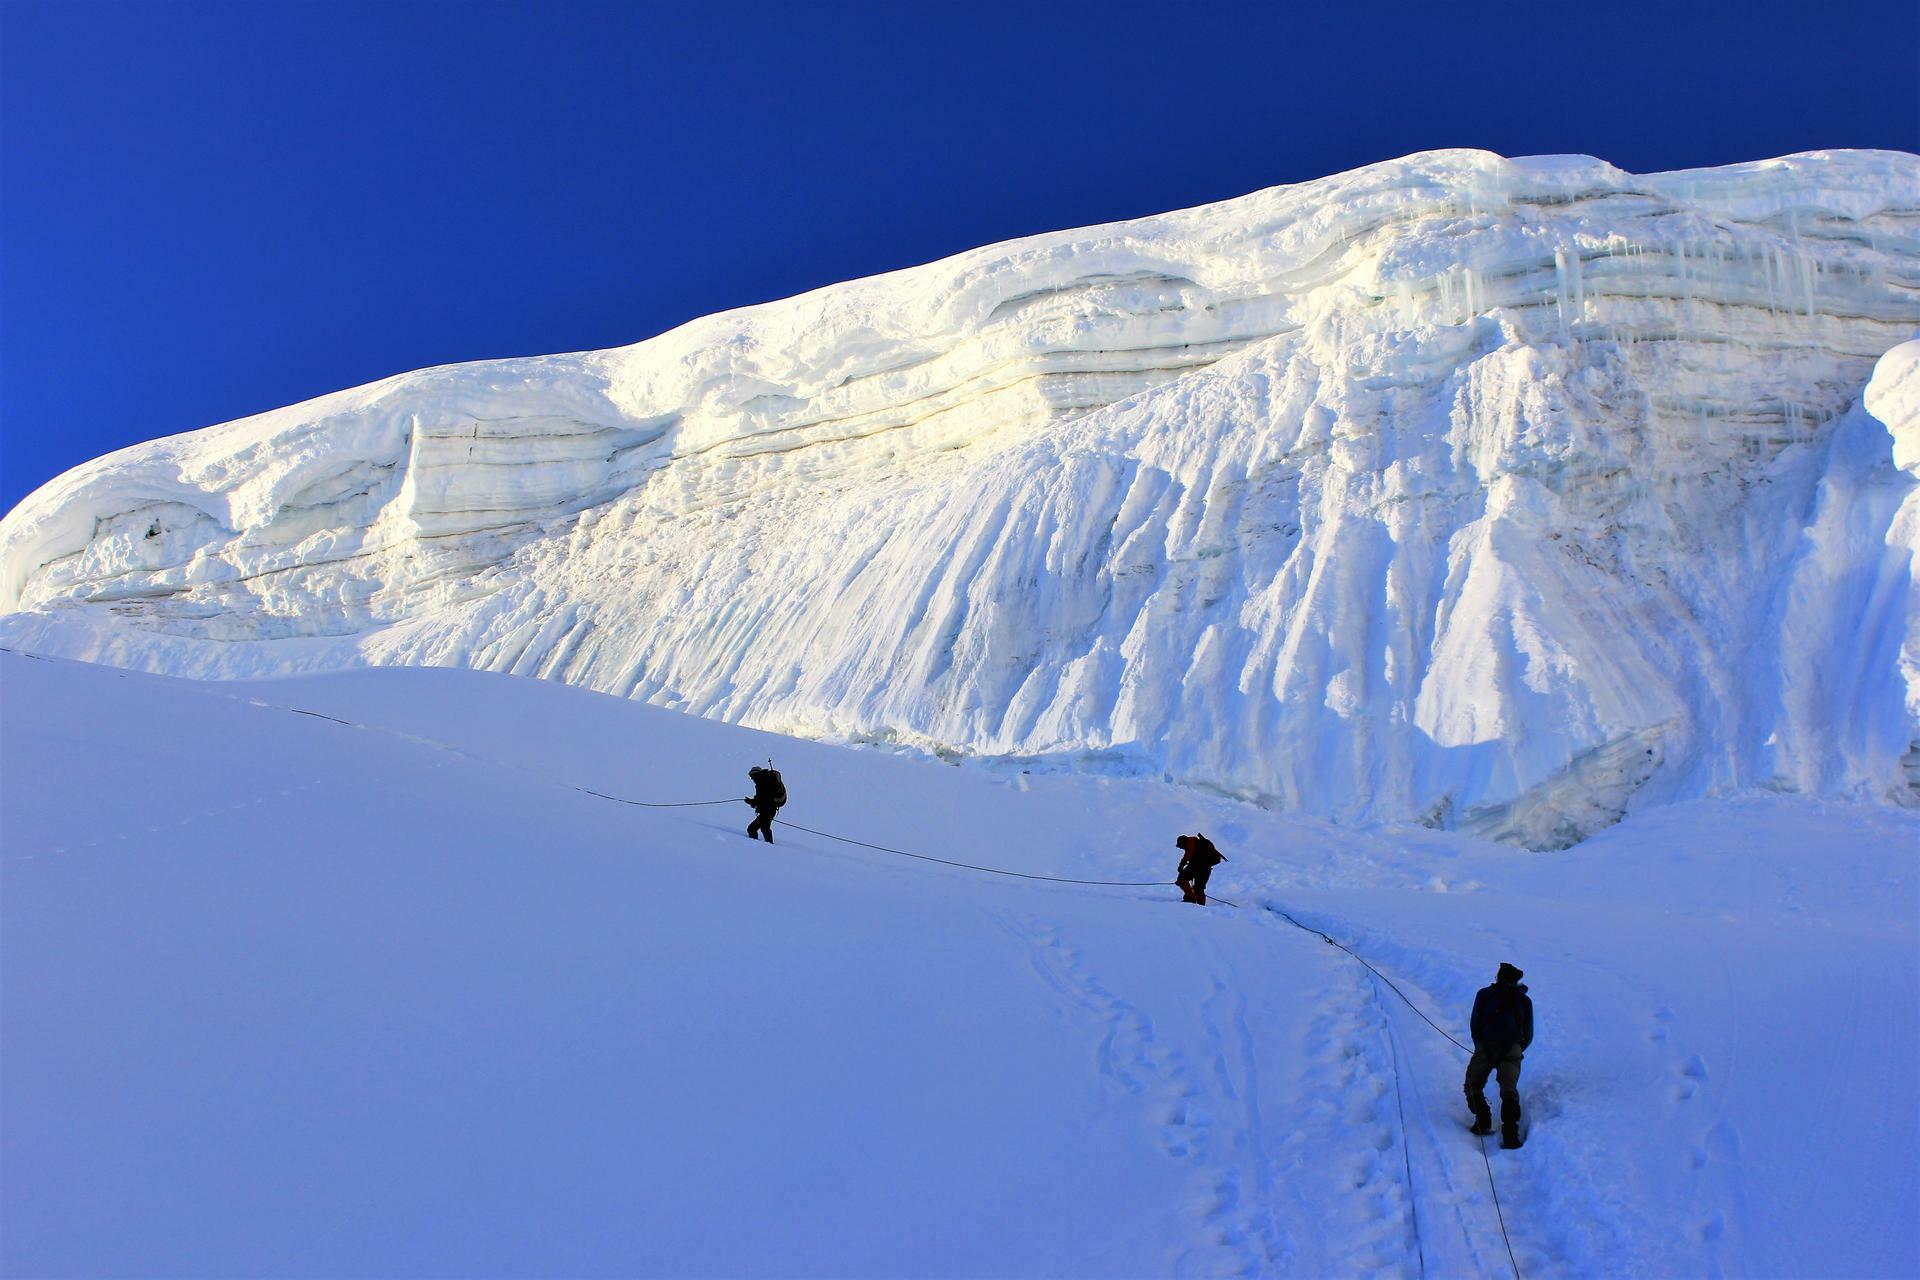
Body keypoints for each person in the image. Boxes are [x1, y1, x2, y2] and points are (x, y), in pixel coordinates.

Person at [1465, 962, 1533, 1148]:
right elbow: (1528, 1033)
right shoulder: (1524, 1001)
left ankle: (1482, 1120)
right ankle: (1510, 1133)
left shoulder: (1484, 994)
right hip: (1512, 1048)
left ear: (1498, 977)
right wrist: (1517, 1049)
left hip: (1486, 1046)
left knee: (1472, 1083)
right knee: (1509, 1090)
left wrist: (1480, 1046)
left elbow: (1475, 1024)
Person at [1174, 833, 1226, 904]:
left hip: (1201, 868)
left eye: (1180, 846)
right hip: (1202, 868)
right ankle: (1196, 902)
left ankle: (1195, 902)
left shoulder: (1190, 843)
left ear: (1183, 843)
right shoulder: (1195, 843)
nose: (1181, 848)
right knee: (1197, 888)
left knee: (1190, 884)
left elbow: (1187, 856)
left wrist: (1181, 866)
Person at [744, 764, 786, 843]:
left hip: (768, 810)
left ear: (755, 774)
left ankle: (766, 847)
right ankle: (768, 846)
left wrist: (752, 802)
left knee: (753, 829)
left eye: (752, 776)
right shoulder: (765, 780)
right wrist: (752, 802)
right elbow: (763, 798)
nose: (751, 779)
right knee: (763, 828)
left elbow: (763, 798)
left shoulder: (762, 783)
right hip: (770, 809)